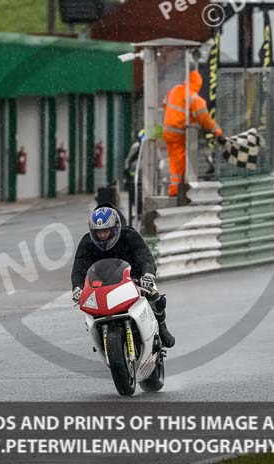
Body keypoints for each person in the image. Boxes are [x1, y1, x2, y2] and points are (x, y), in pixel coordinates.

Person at [71, 203, 175, 348]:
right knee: (89, 311)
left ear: (115, 228)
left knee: (156, 298)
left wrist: (148, 274)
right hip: (102, 285)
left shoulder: (129, 235)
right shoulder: (87, 242)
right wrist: (77, 288)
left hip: (135, 279)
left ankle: (162, 329)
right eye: (98, 232)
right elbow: (78, 269)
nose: (102, 235)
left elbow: (145, 256)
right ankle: (99, 337)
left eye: (106, 231)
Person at [162, 69, 224, 197]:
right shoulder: (195, 99)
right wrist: (218, 132)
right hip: (180, 133)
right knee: (181, 160)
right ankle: (177, 190)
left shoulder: (175, 90)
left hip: (168, 131)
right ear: (198, 84)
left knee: (175, 161)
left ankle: (175, 187)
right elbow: (205, 120)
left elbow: (165, 104)